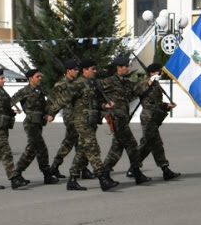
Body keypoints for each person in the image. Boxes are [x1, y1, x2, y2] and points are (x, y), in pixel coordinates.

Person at [47, 59, 118, 191]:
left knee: (82, 150)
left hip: (90, 120)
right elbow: (63, 98)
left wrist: (104, 105)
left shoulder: (91, 84)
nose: (95, 71)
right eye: (93, 69)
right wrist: (52, 113)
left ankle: (72, 179)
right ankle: (103, 179)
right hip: (81, 121)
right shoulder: (78, 84)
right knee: (93, 148)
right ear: (85, 70)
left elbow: (94, 103)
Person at [101, 56, 151, 185]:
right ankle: (134, 173)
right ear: (118, 68)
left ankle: (107, 173)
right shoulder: (109, 81)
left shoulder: (126, 82)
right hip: (116, 118)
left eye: (128, 66)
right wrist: (103, 106)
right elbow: (96, 94)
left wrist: (150, 82)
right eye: (125, 66)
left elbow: (136, 89)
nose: (128, 68)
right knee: (131, 146)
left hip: (123, 118)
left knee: (118, 148)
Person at [133, 63, 182, 180]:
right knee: (156, 144)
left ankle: (134, 166)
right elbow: (136, 91)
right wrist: (150, 81)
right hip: (148, 117)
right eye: (159, 71)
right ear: (152, 73)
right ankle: (165, 169)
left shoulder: (156, 85)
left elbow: (157, 103)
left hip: (155, 117)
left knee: (148, 144)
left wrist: (167, 105)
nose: (161, 73)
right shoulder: (145, 84)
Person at [10, 69, 59, 185]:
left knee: (33, 149)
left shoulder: (40, 91)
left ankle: (18, 173)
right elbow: (9, 102)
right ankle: (45, 174)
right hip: (30, 124)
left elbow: (45, 107)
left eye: (40, 76)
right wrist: (13, 111)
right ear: (30, 78)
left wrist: (49, 114)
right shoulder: (24, 91)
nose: (40, 78)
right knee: (39, 148)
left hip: (38, 124)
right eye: (37, 76)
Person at [48, 60, 93, 180]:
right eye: (75, 70)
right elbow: (53, 100)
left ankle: (80, 168)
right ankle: (76, 168)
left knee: (77, 143)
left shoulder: (78, 83)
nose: (77, 72)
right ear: (68, 71)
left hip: (78, 116)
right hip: (70, 117)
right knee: (73, 142)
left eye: (78, 70)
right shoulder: (61, 84)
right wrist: (51, 113)